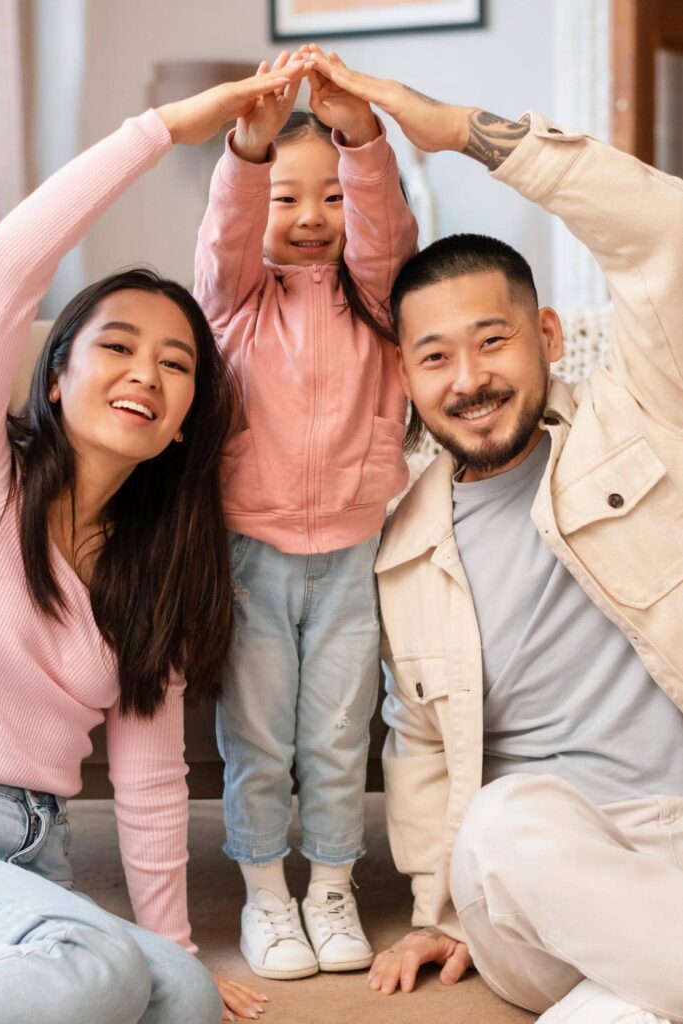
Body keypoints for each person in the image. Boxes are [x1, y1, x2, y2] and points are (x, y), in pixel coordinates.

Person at [0, 65, 305, 1024]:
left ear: (187, 418)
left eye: (177, 361)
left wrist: (177, 951)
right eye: (116, 345)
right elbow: (10, 263)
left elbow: (149, 784)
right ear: (54, 374)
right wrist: (165, 129)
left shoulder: (160, 568)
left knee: (180, 995)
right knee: (92, 966)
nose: (146, 370)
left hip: (38, 849)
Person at [303, 48, 683, 1024]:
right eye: (434, 356)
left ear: (549, 336)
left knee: (609, 1006)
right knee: (508, 821)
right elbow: (419, 747)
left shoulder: (639, 414)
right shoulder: (400, 548)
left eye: (492, 340)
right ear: (405, 378)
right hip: (538, 878)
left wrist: (461, 130)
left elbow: (663, 236)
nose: (467, 379)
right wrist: (437, 910)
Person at [194, 50, 417, 982]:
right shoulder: (231, 305)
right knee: (255, 738)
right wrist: (249, 146)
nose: (313, 217)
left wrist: (358, 132)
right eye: (288, 199)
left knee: (334, 733)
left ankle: (330, 884)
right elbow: (224, 235)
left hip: (355, 553)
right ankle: (263, 895)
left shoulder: (378, 303)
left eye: (331, 197)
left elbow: (387, 238)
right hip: (252, 552)